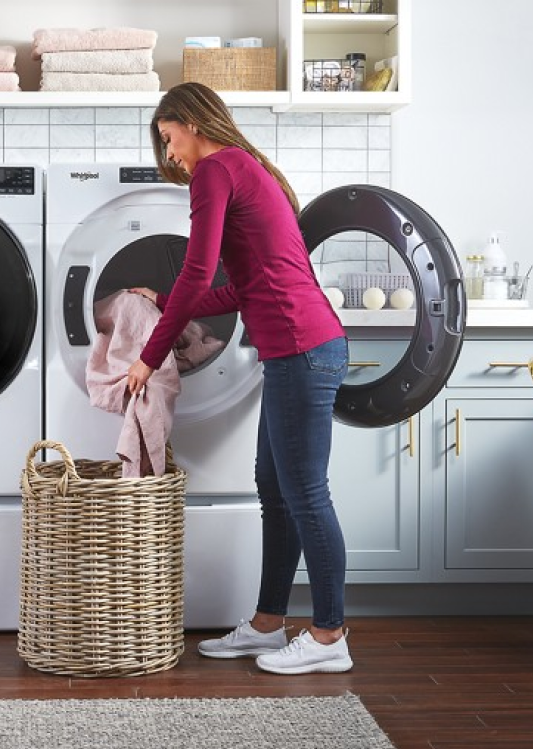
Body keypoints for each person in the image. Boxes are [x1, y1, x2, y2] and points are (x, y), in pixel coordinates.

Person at [125, 82, 353, 675]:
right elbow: (243, 287)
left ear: (190, 122)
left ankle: (330, 637)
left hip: (302, 349)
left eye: (168, 139)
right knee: (276, 492)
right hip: (299, 350)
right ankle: (267, 626)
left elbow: (199, 274)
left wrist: (150, 353)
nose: (171, 154)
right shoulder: (246, 167)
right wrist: (167, 298)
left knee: (304, 494)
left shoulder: (217, 169)